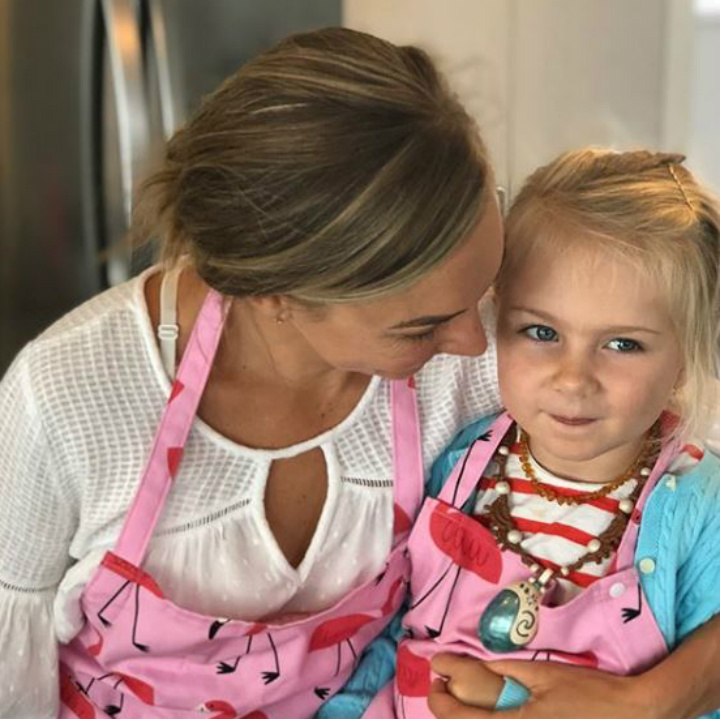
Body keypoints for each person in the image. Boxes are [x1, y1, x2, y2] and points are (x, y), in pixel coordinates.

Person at [0, 25, 718, 719]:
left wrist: (650, 698)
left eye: (486, 293)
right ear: (276, 297)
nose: (477, 342)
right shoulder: (64, 399)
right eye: (422, 325)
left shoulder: (533, 363)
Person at [358, 148, 720, 719]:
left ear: (685, 358)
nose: (574, 379)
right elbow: (389, 629)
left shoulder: (700, 506)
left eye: (623, 344)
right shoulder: (457, 462)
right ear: (496, 319)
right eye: (541, 331)